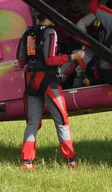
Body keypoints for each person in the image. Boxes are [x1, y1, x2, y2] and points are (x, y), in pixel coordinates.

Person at [17, 10, 86, 170]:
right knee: (62, 121)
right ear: (48, 17)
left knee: (32, 123)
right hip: (48, 82)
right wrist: (72, 58)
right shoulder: (51, 32)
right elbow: (50, 60)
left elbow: (21, 61)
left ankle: (27, 162)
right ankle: (71, 160)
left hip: (31, 81)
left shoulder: (28, 33)